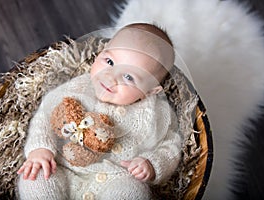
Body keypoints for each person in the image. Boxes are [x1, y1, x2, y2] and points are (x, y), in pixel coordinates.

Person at [17, 23, 182, 200]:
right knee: (35, 177)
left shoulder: (156, 113)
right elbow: (45, 115)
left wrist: (151, 164)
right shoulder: (79, 86)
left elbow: (171, 145)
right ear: (101, 53)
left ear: (151, 91)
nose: (111, 77)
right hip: (63, 168)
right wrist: (41, 148)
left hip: (116, 179)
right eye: (109, 62)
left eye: (128, 77)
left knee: (134, 191)